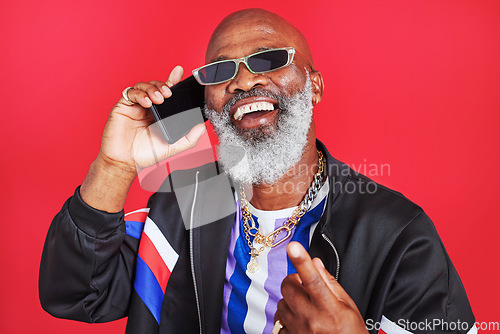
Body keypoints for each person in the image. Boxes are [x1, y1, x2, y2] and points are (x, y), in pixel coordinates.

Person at [39, 8, 476, 334]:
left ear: (315, 86)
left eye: (268, 60)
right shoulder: (184, 207)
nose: (244, 82)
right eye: (221, 70)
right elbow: (77, 294)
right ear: (205, 104)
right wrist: (115, 166)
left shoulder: (396, 234)